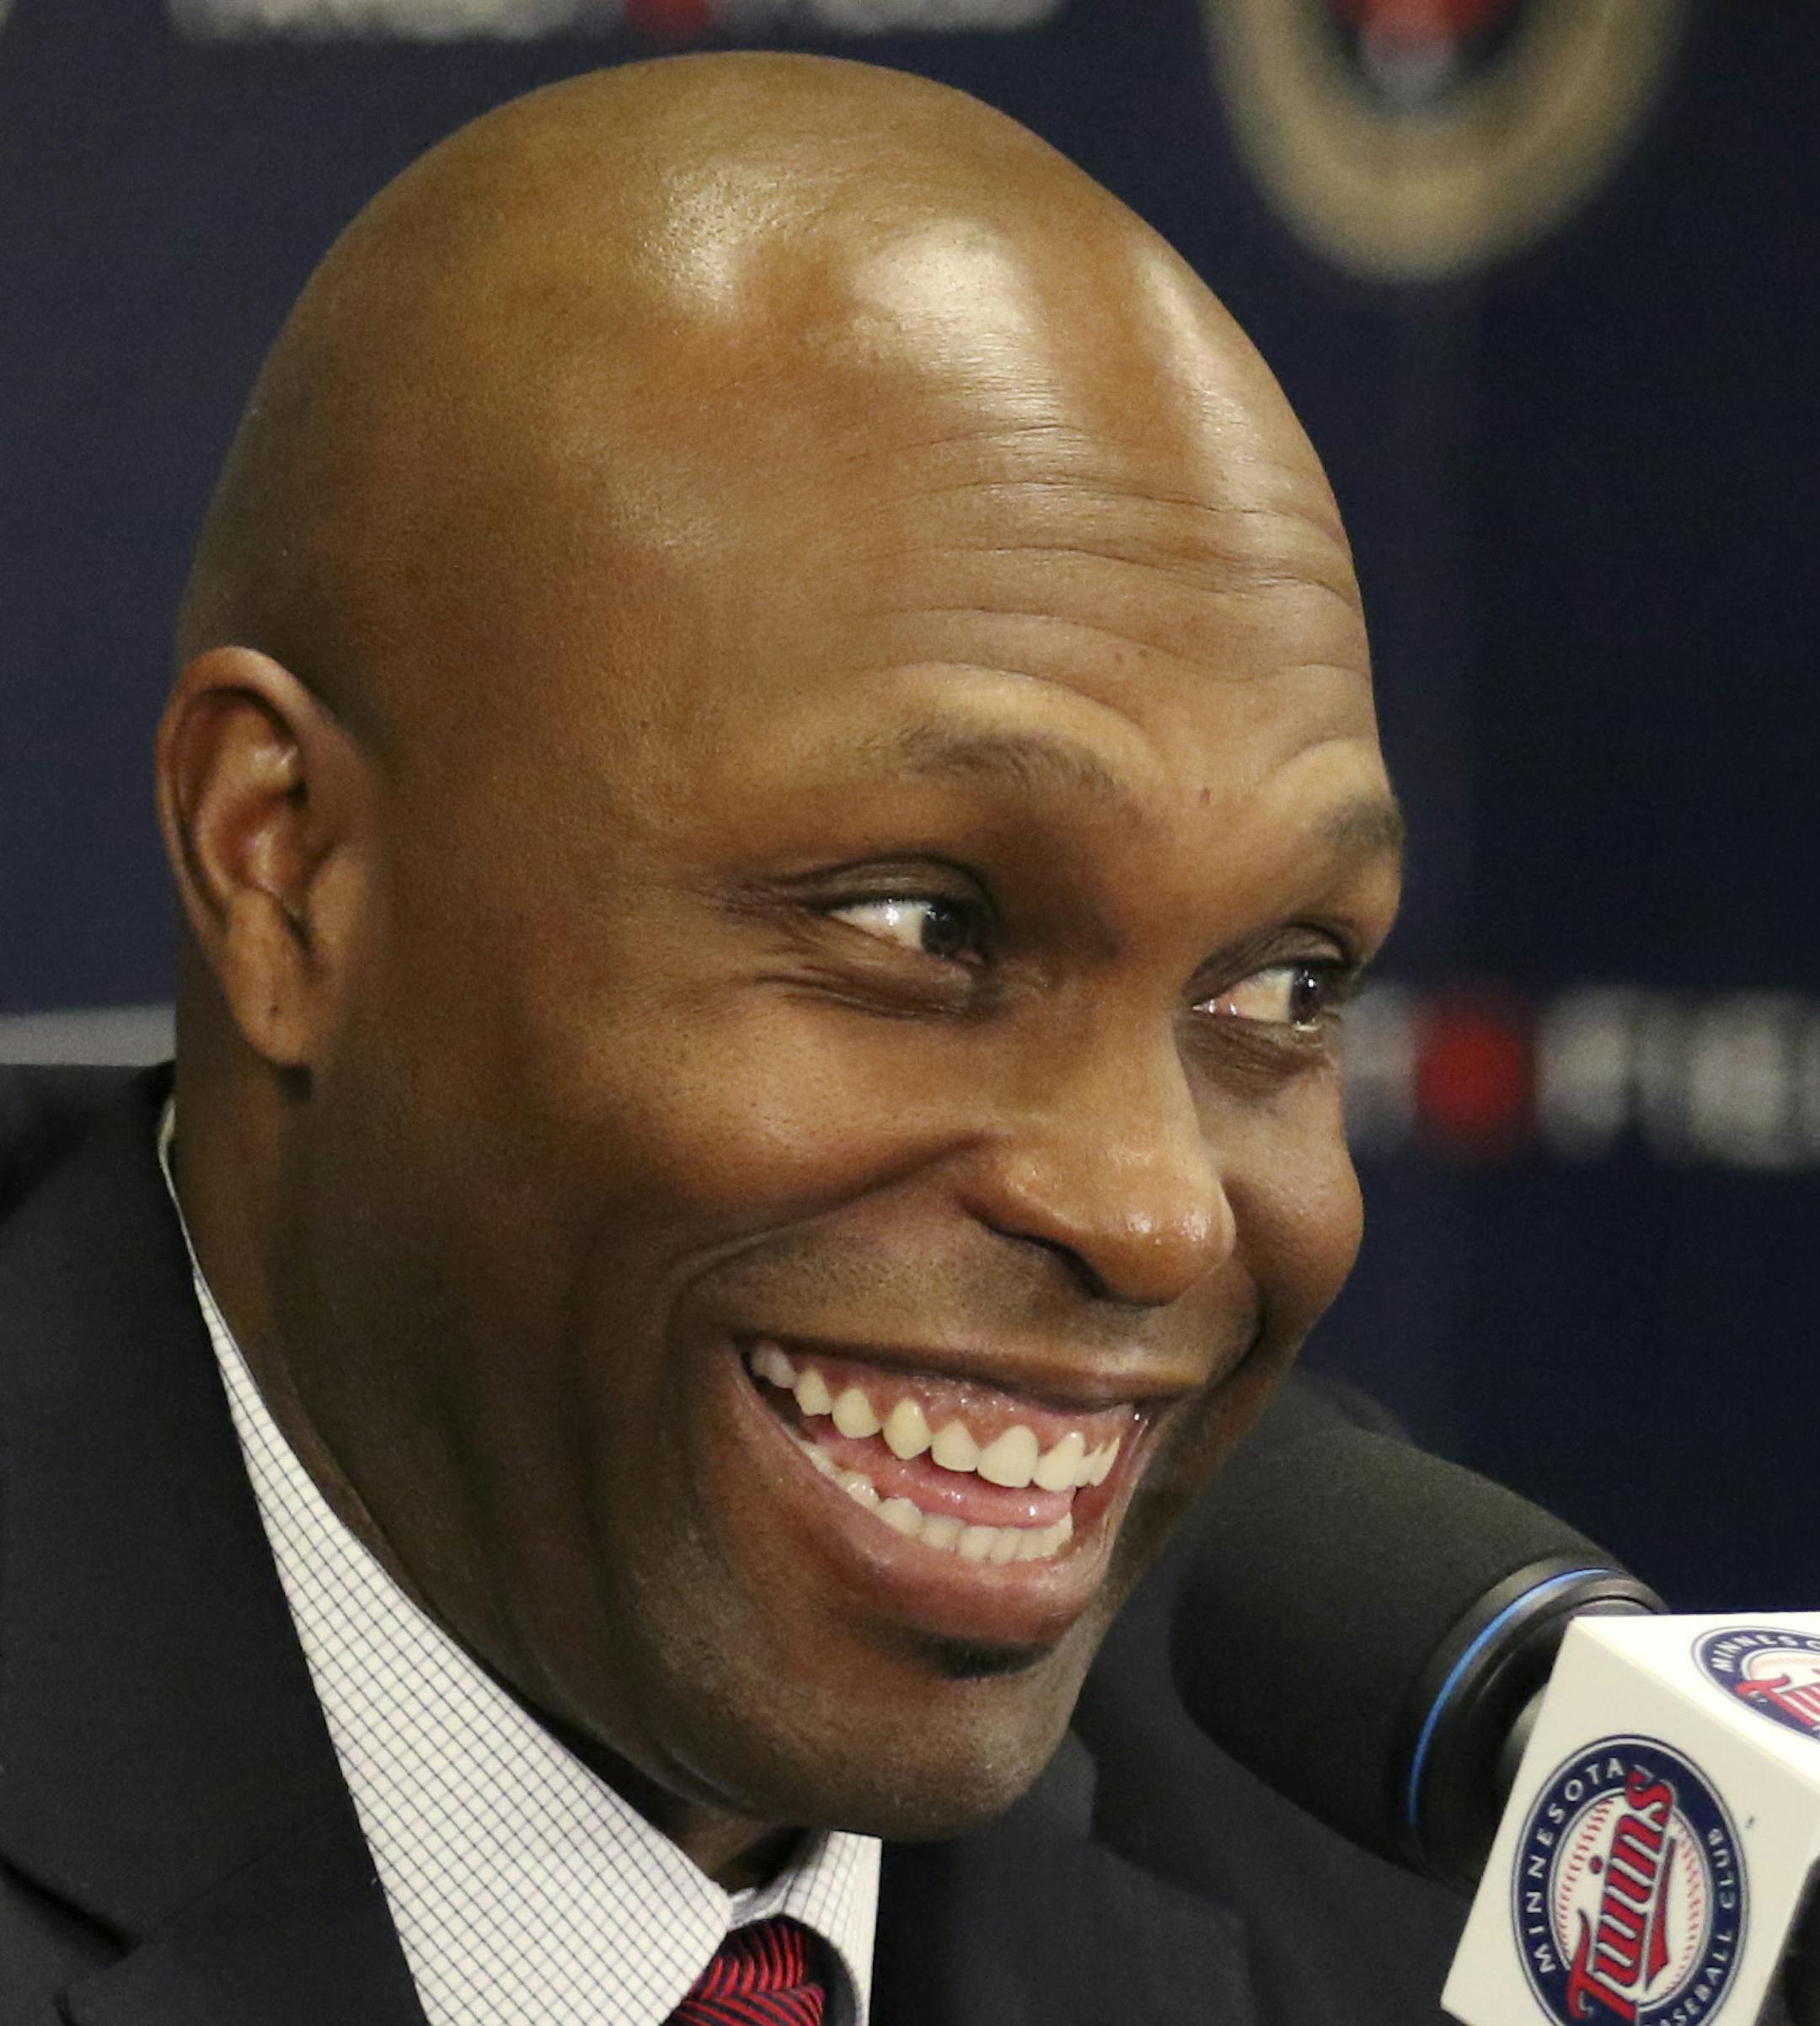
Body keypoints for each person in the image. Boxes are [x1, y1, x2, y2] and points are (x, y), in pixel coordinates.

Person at [0, 52, 1466, 2024]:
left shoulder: (1395, 1842)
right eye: (921, 926)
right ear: (289, 872)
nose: (1158, 1217)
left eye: (1281, 983)